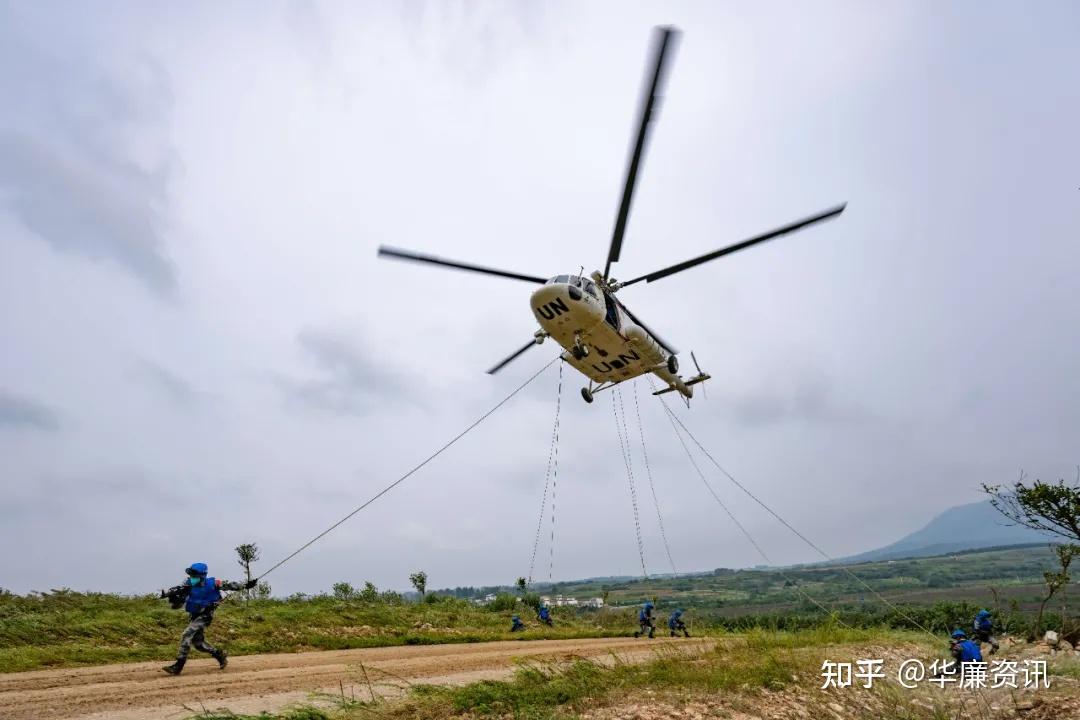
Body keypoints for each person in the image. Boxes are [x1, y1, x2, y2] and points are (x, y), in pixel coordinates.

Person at [160, 562, 257, 675]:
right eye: (191, 575)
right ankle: (219, 654)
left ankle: (178, 666)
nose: (192, 578)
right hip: (194, 616)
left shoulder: (213, 583)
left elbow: (230, 585)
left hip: (206, 615)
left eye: (194, 575)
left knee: (187, 634)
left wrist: (245, 585)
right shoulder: (187, 586)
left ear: (202, 575)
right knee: (198, 644)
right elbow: (176, 606)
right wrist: (174, 599)